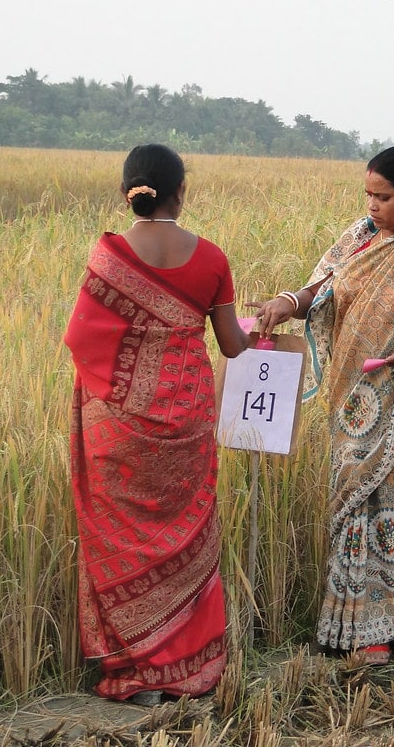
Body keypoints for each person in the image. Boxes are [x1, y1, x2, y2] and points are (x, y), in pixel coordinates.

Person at [254, 146, 394, 665]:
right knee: (353, 504)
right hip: (352, 406)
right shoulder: (358, 238)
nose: (373, 206)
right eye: (369, 195)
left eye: (384, 197)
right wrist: (286, 303)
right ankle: (352, 628)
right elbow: (321, 288)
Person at [64, 144, 251, 704]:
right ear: (181, 191)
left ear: (129, 190)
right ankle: (183, 671)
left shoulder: (108, 258)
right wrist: (257, 321)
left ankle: (133, 673)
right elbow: (232, 346)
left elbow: (83, 339)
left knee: (120, 535)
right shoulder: (212, 259)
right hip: (186, 413)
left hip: (114, 421)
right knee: (184, 534)